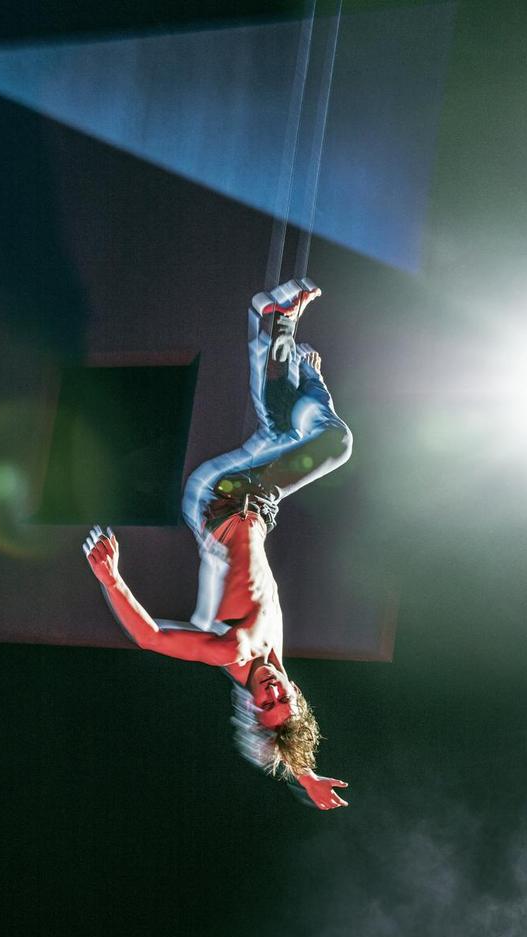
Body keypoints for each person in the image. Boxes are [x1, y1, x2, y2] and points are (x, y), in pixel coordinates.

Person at [84, 278, 352, 809]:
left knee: (334, 442)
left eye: (264, 697)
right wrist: (306, 777)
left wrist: (111, 578)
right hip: (257, 507)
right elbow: (284, 735)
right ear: (295, 698)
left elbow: (153, 638)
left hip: (222, 502)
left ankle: (283, 339)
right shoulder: (275, 665)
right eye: (283, 696)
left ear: (251, 701)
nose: (273, 687)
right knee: (284, 427)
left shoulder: (235, 650)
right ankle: (282, 339)